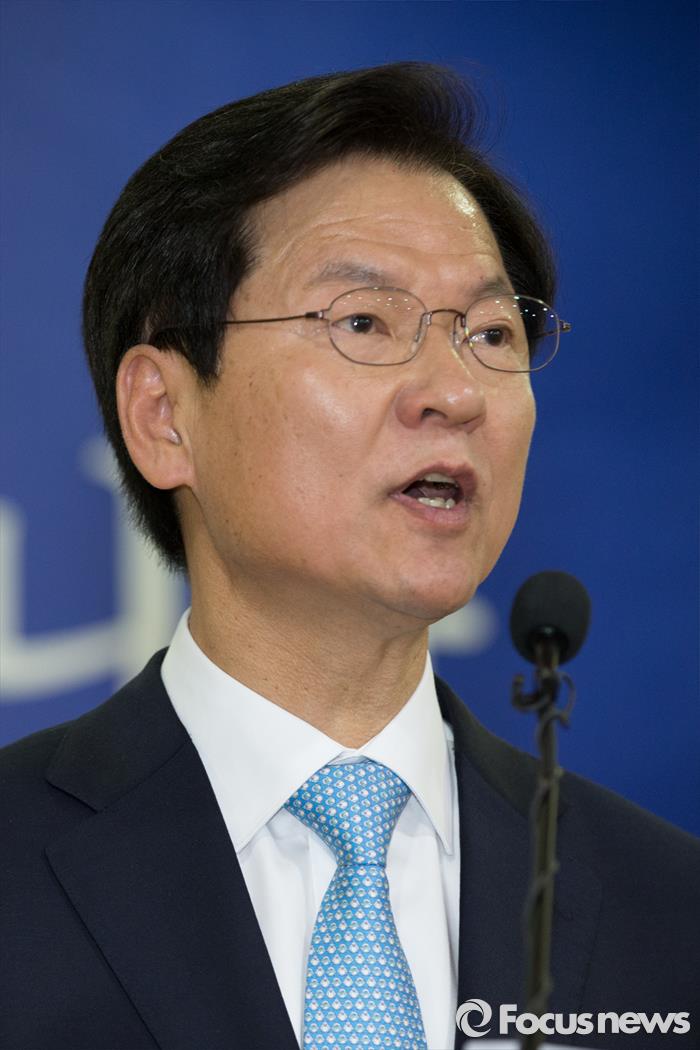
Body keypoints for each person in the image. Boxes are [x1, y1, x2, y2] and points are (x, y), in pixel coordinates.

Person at [1, 63, 698, 1050]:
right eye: (364, 322)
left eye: (492, 333)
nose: (454, 392)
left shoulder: (667, 909)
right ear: (163, 416)